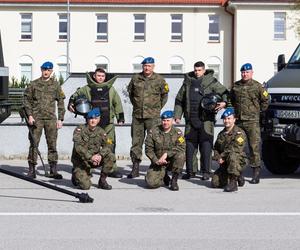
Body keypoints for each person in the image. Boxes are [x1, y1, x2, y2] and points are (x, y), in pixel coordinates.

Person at [174, 61, 228, 181]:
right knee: (190, 147)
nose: (197, 72)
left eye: (199, 70)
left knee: (206, 147)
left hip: (206, 121)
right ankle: (191, 171)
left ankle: (206, 172)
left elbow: (225, 92)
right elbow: (179, 100)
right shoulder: (187, 82)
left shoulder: (211, 81)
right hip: (190, 120)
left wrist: (224, 103)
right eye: (195, 70)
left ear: (204, 70)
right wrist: (177, 115)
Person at [68, 67, 124, 178]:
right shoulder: (86, 89)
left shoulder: (111, 89)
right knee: (88, 145)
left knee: (110, 145)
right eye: (98, 76)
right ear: (94, 76)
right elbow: (74, 96)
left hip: (108, 124)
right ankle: (86, 167)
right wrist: (70, 104)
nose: (100, 78)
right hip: (91, 124)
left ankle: (111, 169)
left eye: (103, 76)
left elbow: (117, 103)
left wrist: (120, 118)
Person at [127, 57, 169, 178]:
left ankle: (155, 166)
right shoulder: (135, 78)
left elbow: (164, 96)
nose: (146, 68)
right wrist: (137, 106)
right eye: (145, 65)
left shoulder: (160, 80)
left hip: (153, 117)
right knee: (136, 142)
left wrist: (156, 109)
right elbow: (131, 95)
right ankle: (135, 167)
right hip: (137, 116)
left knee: (154, 142)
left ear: (153, 66)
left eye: (149, 66)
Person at [23, 61, 65, 179]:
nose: (46, 72)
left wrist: (61, 118)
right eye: (44, 69)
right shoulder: (33, 84)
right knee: (34, 144)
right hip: (36, 119)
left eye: (48, 70)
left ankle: (53, 169)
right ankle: (32, 169)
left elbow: (61, 102)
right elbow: (27, 101)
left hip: (51, 119)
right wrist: (30, 115)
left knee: (52, 144)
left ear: (51, 71)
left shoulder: (56, 85)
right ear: (41, 70)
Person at [229, 63, 269, 184]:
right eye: (243, 72)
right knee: (238, 147)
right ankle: (239, 173)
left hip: (252, 122)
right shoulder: (236, 86)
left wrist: (258, 113)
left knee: (254, 147)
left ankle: (256, 174)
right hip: (239, 122)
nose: (244, 74)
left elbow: (265, 101)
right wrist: (233, 113)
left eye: (247, 72)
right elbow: (231, 101)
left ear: (252, 73)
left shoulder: (258, 86)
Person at [71, 108, 115, 190]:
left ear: (99, 119)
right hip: (81, 161)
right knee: (86, 186)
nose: (93, 121)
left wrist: (100, 155)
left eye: (95, 118)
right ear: (87, 119)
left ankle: (102, 181)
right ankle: (75, 173)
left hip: (95, 160)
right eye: (91, 118)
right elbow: (78, 147)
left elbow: (109, 145)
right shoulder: (79, 130)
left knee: (110, 156)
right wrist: (91, 157)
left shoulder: (101, 131)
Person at [145, 111, 185, 191]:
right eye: (164, 120)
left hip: (171, 162)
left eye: (168, 120)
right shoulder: (153, 131)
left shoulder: (178, 133)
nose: (165, 122)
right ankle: (164, 176)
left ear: (172, 121)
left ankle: (174, 180)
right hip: (158, 161)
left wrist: (167, 154)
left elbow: (182, 147)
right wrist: (156, 160)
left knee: (181, 155)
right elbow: (148, 149)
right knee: (151, 183)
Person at [211, 108, 247, 192]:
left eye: (229, 118)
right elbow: (216, 148)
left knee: (233, 155)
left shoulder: (239, 133)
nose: (226, 121)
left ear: (234, 119)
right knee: (215, 183)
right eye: (224, 119)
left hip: (238, 160)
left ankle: (233, 183)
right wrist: (217, 157)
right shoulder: (221, 134)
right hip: (225, 162)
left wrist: (222, 156)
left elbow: (236, 148)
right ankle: (237, 176)